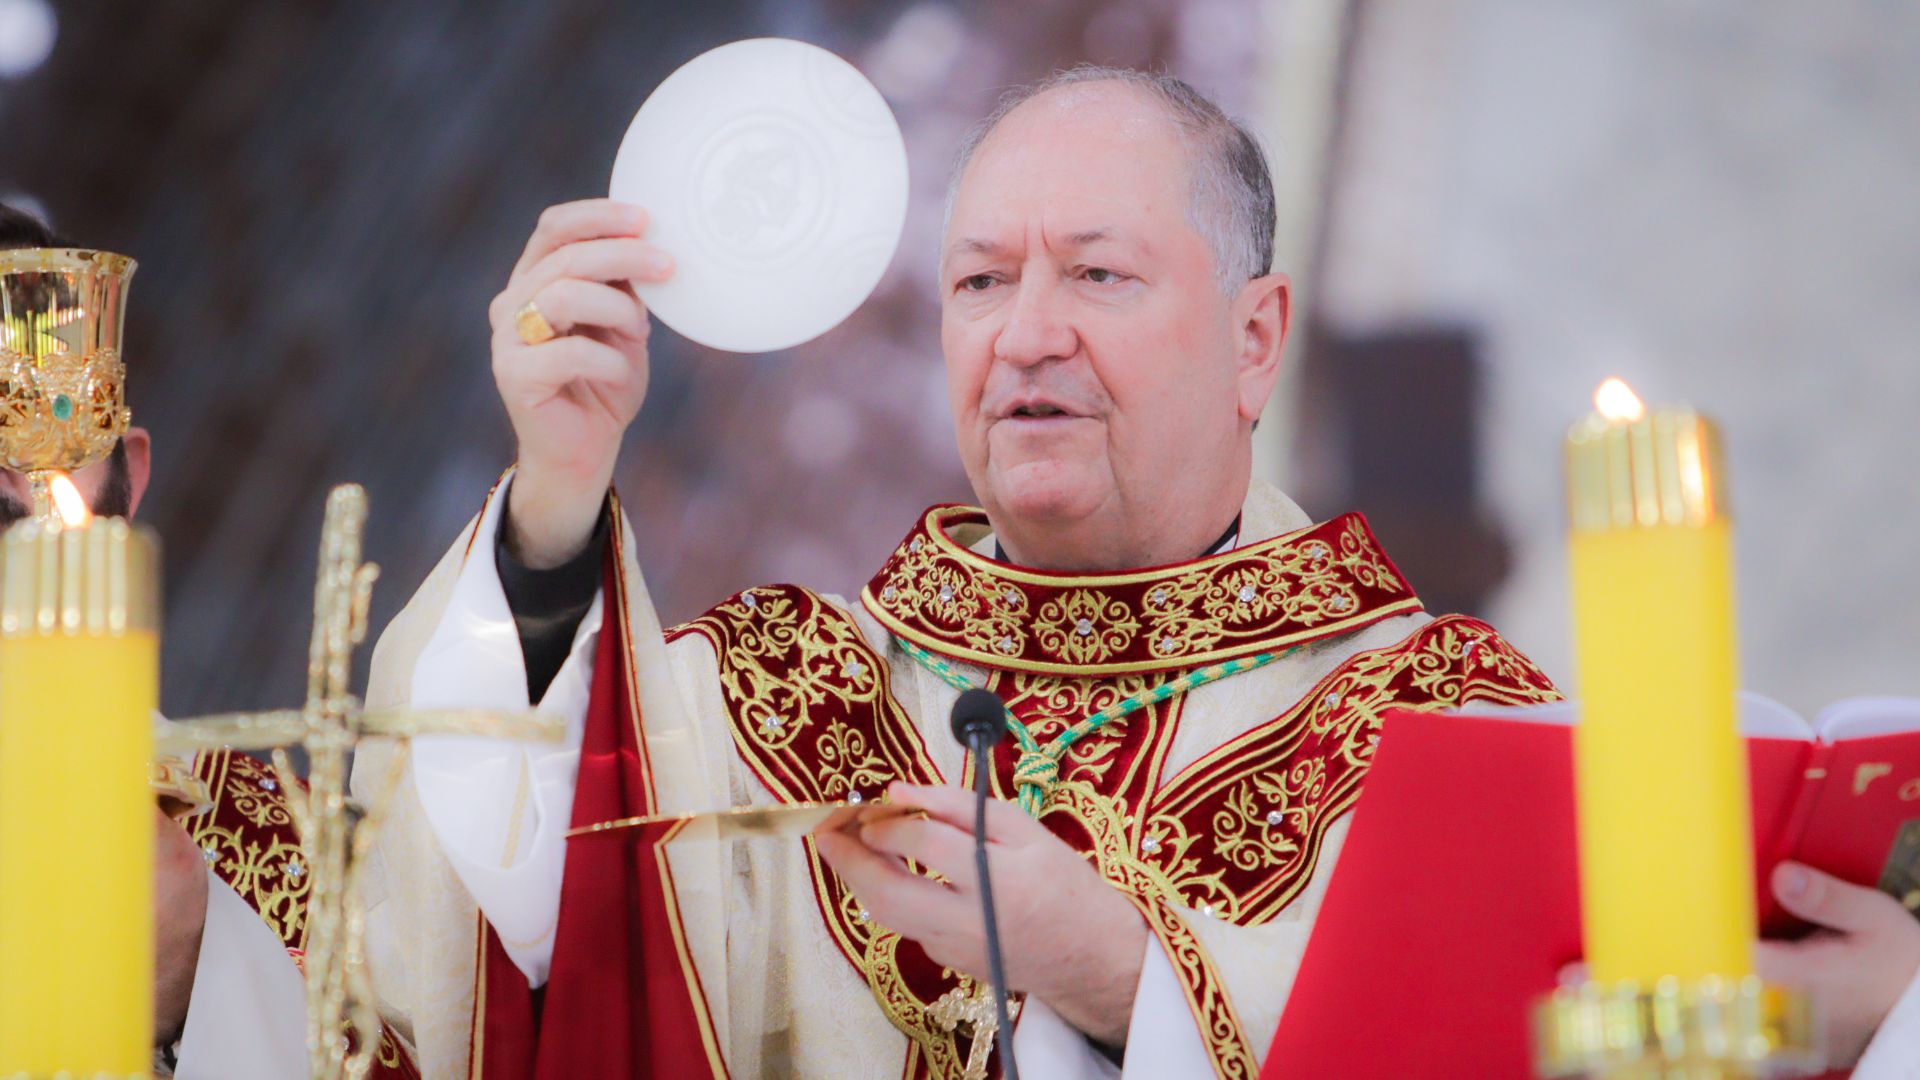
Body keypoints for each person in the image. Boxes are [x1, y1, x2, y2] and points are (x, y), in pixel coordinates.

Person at [357, 68, 1920, 1078]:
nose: (1028, 331)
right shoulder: (779, 699)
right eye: (981, 281)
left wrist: (1120, 975)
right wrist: (557, 506)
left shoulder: (1440, 730)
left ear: (1257, 340)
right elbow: (489, 919)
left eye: (1099, 274)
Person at [0, 204, 418, 1079]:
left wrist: (190, 988)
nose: (7, 473)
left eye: (42, 415)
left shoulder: (287, 852)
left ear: (130, 476)